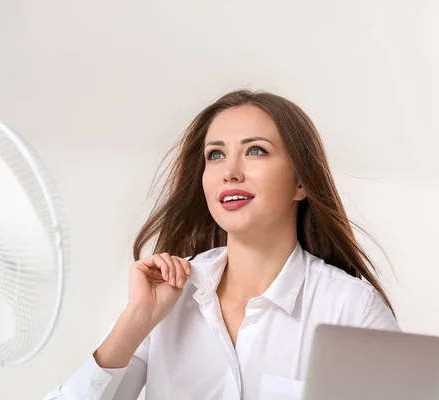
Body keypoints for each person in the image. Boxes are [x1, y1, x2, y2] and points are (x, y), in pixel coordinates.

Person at [44, 90, 400, 400]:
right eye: (215, 155)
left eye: (256, 151)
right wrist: (136, 320)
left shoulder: (351, 309)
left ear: (300, 184)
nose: (230, 171)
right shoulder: (166, 298)